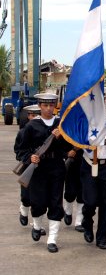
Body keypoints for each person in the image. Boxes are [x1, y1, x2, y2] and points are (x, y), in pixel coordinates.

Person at [14, 93, 69, 253]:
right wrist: (29, 157)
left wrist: (60, 138)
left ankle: (52, 239)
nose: (48, 108)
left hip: (57, 167)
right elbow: (20, 149)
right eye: (45, 105)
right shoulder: (31, 126)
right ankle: (37, 226)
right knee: (37, 202)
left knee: (55, 202)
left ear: (55, 105)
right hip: (38, 169)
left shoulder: (60, 124)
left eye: (51, 105)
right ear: (40, 106)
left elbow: (67, 148)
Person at [80, 114, 106, 250]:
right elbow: (75, 139)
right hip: (88, 164)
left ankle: (102, 237)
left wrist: (103, 140)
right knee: (90, 202)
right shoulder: (82, 120)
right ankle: (87, 222)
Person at [14, 105, 46, 236]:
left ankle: (37, 225)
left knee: (39, 199)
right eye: (33, 115)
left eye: (38, 115)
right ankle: (23, 210)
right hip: (28, 167)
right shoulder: (23, 132)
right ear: (28, 116)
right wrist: (29, 158)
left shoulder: (46, 130)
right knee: (26, 197)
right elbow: (18, 152)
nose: (35, 118)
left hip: (43, 169)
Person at [62, 148, 85, 232]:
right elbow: (61, 145)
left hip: (85, 161)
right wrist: (66, 153)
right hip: (71, 163)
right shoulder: (68, 133)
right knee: (70, 192)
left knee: (82, 193)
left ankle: (79, 221)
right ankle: (68, 211)